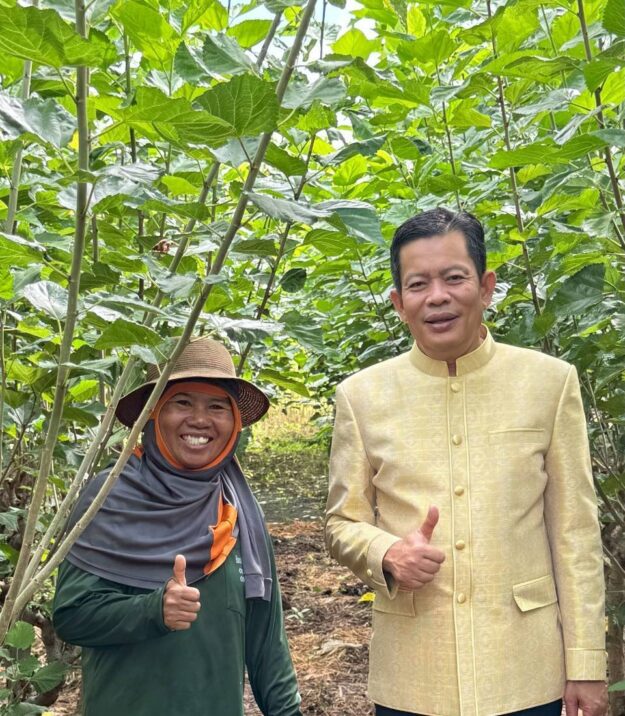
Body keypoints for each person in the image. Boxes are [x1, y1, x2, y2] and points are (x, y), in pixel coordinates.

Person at [325, 208, 607, 716]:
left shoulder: (549, 383)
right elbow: (342, 522)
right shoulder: (362, 396)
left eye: (454, 278)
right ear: (398, 303)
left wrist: (585, 663)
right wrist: (387, 552)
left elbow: (575, 534)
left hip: (526, 668)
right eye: (418, 284)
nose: (437, 296)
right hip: (414, 673)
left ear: (486, 287)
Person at [53, 337, 302, 716]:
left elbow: (266, 638)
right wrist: (153, 611)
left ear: (234, 422)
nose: (200, 419)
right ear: (153, 413)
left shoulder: (238, 511)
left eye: (217, 406)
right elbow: (71, 616)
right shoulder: (110, 496)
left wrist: (287, 711)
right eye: (182, 402)